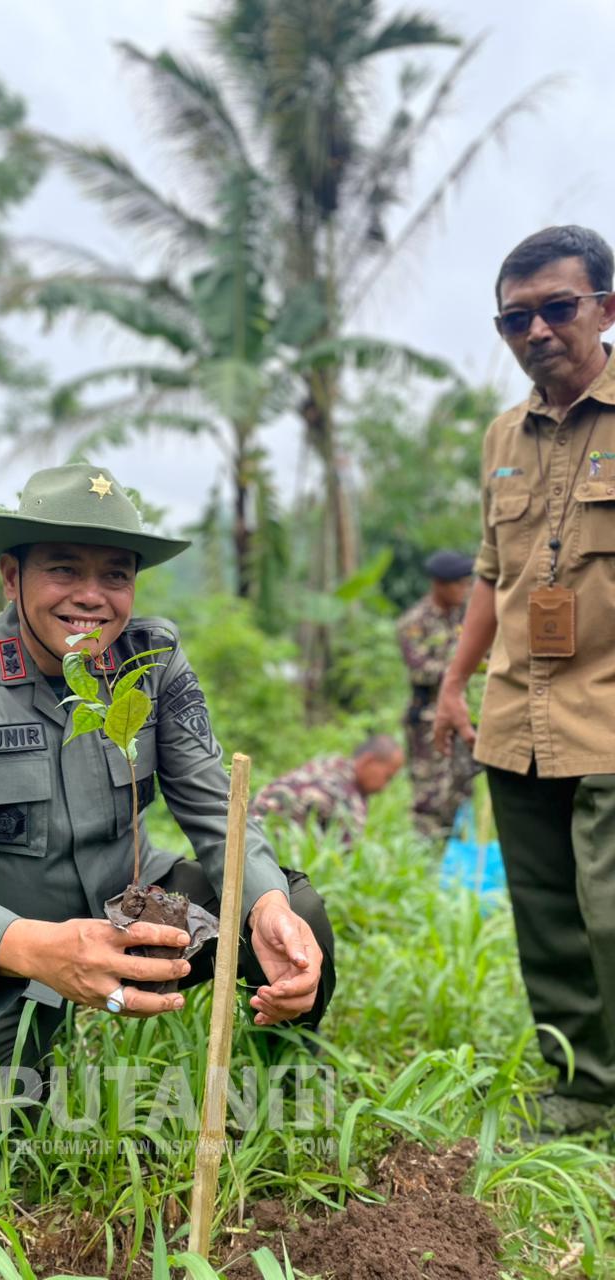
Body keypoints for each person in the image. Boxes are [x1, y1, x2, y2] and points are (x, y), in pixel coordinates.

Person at [0, 463, 336, 1226]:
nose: (91, 594)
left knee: (294, 908)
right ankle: (30, 1058)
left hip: (136, 914)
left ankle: (280, 1068)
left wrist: (266, 900)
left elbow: (215, 804)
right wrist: (39, 950)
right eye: (63, 568)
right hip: (10, 959)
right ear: (11, 576)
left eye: (115, 573)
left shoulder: (153, 662)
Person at [435, 224, 615, 1135]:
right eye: (515, 318)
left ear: (606, 309)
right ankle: (582, 1090)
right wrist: (455, 682)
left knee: (611, 912)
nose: (537, 330)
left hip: (611, 715)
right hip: (518, 717)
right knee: (546, 916)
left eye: (557, 308)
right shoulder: (503, 434)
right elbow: (491, 572)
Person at [397, 550, 480, 839]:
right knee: (429, 793)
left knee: (462, 789)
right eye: (459, 583)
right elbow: (420, 670)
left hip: (466, 718)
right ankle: (426, 858)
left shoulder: (470, 615)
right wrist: (463, 667)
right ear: (439, 584)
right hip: (428, 720)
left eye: (468, 583)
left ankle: (454, 857)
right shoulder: (415, 622)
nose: (466, 589)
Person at [249, 736, 403, 848]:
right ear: (368, 761)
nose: (385, 787)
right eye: (387, 777)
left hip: (243, 825)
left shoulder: (329, 763)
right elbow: (344, 861)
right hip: (266, 848)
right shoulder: (348, 798)